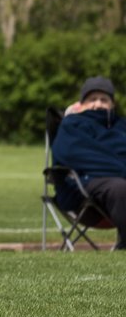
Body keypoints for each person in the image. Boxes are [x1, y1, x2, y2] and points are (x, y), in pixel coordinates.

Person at [52, 76, 126, 250]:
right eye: (92, 99)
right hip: (84, 189)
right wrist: (120, 167)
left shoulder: (122, 126)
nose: (98, 104)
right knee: (119, 187)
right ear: (81, 104)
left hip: (117, 188)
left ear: (112, 104)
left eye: (104, 99)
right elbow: (70, 154)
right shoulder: (72, 124)